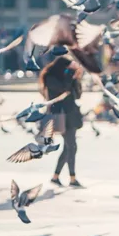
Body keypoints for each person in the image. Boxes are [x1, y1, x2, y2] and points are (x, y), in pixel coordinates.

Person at [39, 56, 85, 188]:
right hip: (60, 115)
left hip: (71, 114)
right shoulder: (51, 78)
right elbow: (63, 89)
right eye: (67, 68)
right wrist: (70, 74)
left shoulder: (68, 77)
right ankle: (72, 178)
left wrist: (77, 78)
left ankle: (56, 176)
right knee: (72, 146)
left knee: (68, 147)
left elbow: (77, 94)